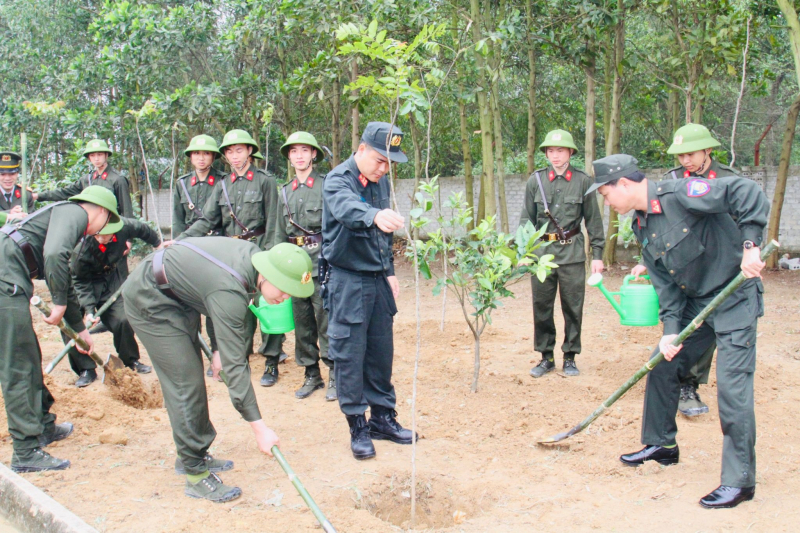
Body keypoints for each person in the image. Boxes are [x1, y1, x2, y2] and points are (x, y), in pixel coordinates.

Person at [589, 153, 768, 509]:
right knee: (663, 362)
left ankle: (740, 481)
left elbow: (746, 192)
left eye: (606, 195)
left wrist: (751, 246)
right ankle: (662, 445)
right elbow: (666, 284)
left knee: (732, 387)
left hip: (733, 297)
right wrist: (671, 330)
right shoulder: (641, 225)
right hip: (695, 303)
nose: (606, 203)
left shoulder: (683, 193)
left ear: (623, 184)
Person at [123, 239, 314, 502]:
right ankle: (195, 474)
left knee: (191, 377)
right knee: (185, 382)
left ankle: (193, 453)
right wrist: (260, 428)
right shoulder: (230, 287)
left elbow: (214, 300)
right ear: (268, 274)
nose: (286, 297)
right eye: (284, 288)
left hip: (180, 294)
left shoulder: (252, 264)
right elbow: (236, 366)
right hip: (151, 299)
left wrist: (217, 349)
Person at [0, 186, 119, 473]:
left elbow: (62, 275)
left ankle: (43, 426)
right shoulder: (74, 212)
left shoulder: (61, 218)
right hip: (5, 279)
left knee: (29, 356)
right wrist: (59, 304)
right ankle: (25, 452)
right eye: (108, 222)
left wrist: (79, 330)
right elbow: (54, 255)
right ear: (102, 211)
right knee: (18, 364)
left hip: (10, 277)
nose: (102, 230)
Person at [322, 121, 416, 460]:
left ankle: (382, 419)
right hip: (347, 280)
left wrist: (388, 271)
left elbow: (383, 236)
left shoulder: (380, 180)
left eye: (389, 163)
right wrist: (374, 215)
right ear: (361, 149)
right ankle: (357, 426)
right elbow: (348, 209)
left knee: (380, 351)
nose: (383, 169)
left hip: (377, 279)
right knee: (350, 354)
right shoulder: (337, 179)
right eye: (379, 160)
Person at [631, 124, 739, 417]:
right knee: (681, 325)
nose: (685, 161)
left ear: (708, 150)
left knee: (709, 331)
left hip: (718, 270)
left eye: (691, 154)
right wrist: (646, 260)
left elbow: (742, 220)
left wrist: (750, 251)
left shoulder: (728, 179)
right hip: (681, 269)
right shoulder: (672, 180)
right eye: (680, 156)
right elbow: (656, 228)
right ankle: (678, 383)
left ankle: (690, 383)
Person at [179, 129, 285, 387]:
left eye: (239, 150)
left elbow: (274, 221)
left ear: (249, 151)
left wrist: (271, 259)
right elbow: (208, 220)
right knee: (238, 309)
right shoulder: (223, 184)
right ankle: (241, 361)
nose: (235, 156)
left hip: (260, 251)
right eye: (229, 151)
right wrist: (181, 240)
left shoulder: (264, 180)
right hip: (232, 257)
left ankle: (271, 361)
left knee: (267, 305)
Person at [520, 129, 605, 378]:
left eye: (560, 150)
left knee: (573, 307)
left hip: (572, 254)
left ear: (570, 152)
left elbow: (593, 220)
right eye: (550, 151)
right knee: (541, 306)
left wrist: (598, 255)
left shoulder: (583, 181)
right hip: (542, 255)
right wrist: (524, 251)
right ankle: (546, 357)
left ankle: (570, 357)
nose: (555, 155)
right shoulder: (535, 181)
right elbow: (526, 219)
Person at [61, 216, 160, 387]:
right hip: (82, 284)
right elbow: (80, 282)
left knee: (123, 319)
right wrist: (89, 310)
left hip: (111, 278)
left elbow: (142, 229)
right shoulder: (81, 249)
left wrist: (158, 244)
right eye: (97, 235)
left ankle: (130, 360)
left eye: (104, 235)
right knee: (70, 323)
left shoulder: (124, 226)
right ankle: (86, 369)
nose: (100, 238)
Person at [277, 132, 335, 400]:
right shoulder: (284, 191)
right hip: (295, 267)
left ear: (313, 154)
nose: (299, 156)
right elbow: (278, 232)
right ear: (289, 157)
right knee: (302, 324)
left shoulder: (326, 185)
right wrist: (278, 269)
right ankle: (311, 375)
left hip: (322, 263)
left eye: (304, 150)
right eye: (294, 151)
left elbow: (336, 227)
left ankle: (335, 374)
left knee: (326, 321)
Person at [172, 134, 225, 377]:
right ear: (190, 157)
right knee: (189, 300)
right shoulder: (182, 184)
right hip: (190, 247)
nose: (201, 158)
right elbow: (177, 221)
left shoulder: (222, 181)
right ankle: (193, 353)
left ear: (213, 157)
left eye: (206, 154)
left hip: (216, 247)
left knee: (214, 301)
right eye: (196, 153)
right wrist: (177, 247)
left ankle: (218, 352)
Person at [33, 139, 133, 218]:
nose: (96, 159)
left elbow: (127, 210)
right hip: (92, 227)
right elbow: (64, 192)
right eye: (92, 155)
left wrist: (128, 235)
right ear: (89, 158)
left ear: (106, 155)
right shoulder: (87, 179)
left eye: (100, 154)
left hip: (112, 227)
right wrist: (38, 196)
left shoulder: (117, 179)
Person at [0, 151, 35, 221]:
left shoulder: (25, 195)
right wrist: (9, 214)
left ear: (17, 174)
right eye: (2, 174)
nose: (7, 178)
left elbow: (32, 220)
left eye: (12, 174)